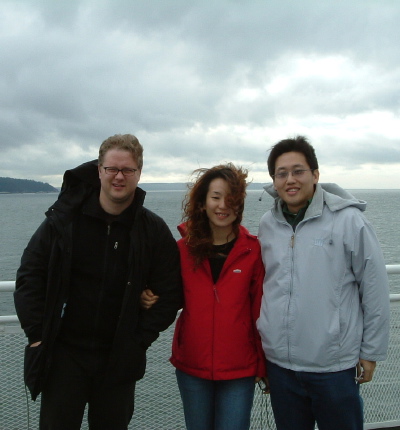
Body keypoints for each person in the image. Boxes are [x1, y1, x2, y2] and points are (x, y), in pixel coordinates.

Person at [14, 134, 182, 430]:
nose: (119, 176)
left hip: (118, 359)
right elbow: (30, 276)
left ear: (139, 173)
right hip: (64, 356)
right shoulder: (65, 221)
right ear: (99, 170)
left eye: (127, 170)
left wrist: (139, 340)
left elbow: (171, 291)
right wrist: (37, 334)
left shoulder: (151, 230)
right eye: (112, 169)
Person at [256, 136, 390, 430]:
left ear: (315, 175)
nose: (290, 179)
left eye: (298, 170)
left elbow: (375, 288)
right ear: (274, 180)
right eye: (282, 173)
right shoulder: (268, 224)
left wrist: (370, 352)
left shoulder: (349, 221)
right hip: (280, 366)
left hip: (333, 367)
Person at [141, 164, 266, 430]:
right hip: (192, 367)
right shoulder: (182, 250)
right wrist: (148, 296)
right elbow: (169, 293)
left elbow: (260, 312)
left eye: (231, 198)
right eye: (216, 197)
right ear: (203, 202)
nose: (223, 205)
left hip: (239, 369)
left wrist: (263, 366)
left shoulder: (253, 251)